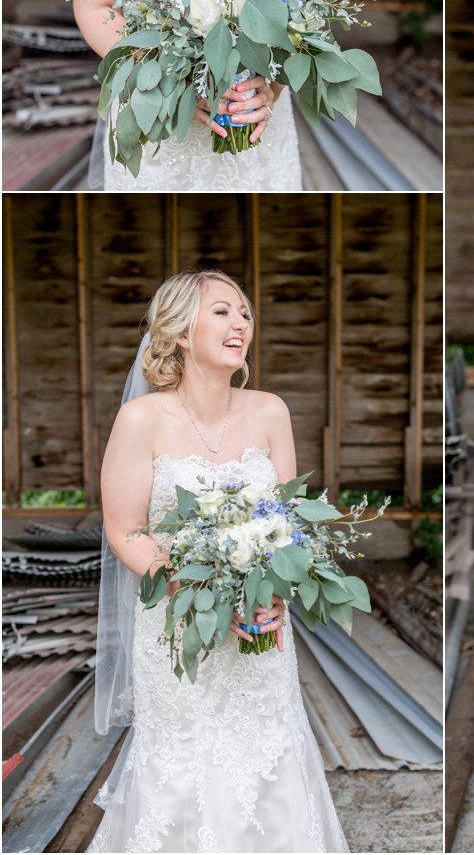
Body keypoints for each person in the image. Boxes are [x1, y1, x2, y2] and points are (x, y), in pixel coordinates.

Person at [90, 269, 346, 852]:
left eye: (246, 314)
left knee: (264, 753)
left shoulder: (269, 411)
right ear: (181, 332)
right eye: (224, 312)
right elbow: (125, 530)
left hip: (260, 629)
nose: (241, 325)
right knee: (184, 765)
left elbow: (289, 522)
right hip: (180, 627)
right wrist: (204, 585)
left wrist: (272, 593)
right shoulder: (142, 420)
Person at [70, 0, 305, 191]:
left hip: (256, 122)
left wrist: (272, 90)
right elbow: (94, 5)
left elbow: (299, 6)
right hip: (157, 117)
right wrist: (175, 83)